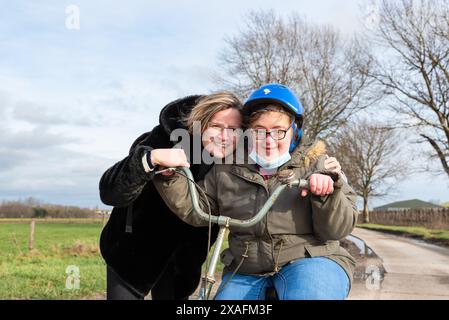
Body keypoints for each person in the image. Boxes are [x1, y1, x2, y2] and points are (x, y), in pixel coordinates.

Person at [153, 84, 358, 300]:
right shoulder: (226, 170)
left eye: (279, 131)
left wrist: (326, 193)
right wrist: (170, 176)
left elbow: (337, 230)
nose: (269, 141)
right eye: (260, 131)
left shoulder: (319, 165)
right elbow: (199, 210)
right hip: (246, 268)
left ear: (294, 132)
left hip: (311, 260)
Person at [99, 92, 243, 300]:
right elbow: (109, 191)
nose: (225, 137)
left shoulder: (238, 162)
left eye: (233, 130)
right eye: (217, 127)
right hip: (133, 250)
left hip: (183, 262)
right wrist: (151, 158)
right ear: (201, 124)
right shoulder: (166, 138)